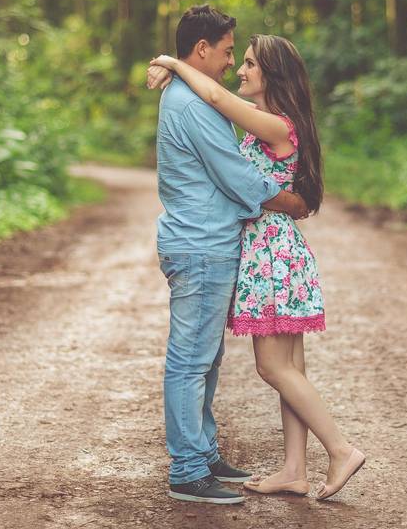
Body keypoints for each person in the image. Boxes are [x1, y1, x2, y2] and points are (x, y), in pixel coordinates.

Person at [147, 32, 366, 501]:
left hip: (270, 252)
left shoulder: (274, 125)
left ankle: (341, 448)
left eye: (247, 63)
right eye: (237, 60)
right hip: (281, 250)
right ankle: (294, 470)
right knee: (292, 370)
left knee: (272, 368)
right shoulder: (274, 125)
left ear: (272, 74)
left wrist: (170, 61)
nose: (239, 70)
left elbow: (212, 94)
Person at [154, 5, 310, 505]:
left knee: (206, 356)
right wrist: (292, 202)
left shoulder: (192, 97)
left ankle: (202, 453)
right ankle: (188, 470)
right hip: (200, 244)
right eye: (225, 53)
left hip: (209, 242)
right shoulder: (191, 104)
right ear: (202, 49)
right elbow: (237, 176)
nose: (228, 63)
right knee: (191, 359)